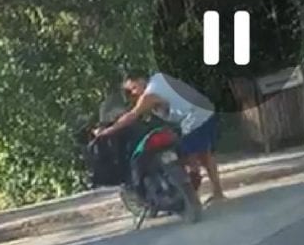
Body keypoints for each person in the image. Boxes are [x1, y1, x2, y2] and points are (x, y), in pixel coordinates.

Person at [93, 70, 226, 203]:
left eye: (134, 87)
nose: (133, 92)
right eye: (130, 91)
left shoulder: (149, 95)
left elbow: (132, 116)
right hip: (206, 111)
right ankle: (217, 193)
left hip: (194, 119)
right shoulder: (159, 78)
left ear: (141, 80)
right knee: (205, 156)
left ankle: (190, 200)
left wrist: (109, 130)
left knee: (188, 160)